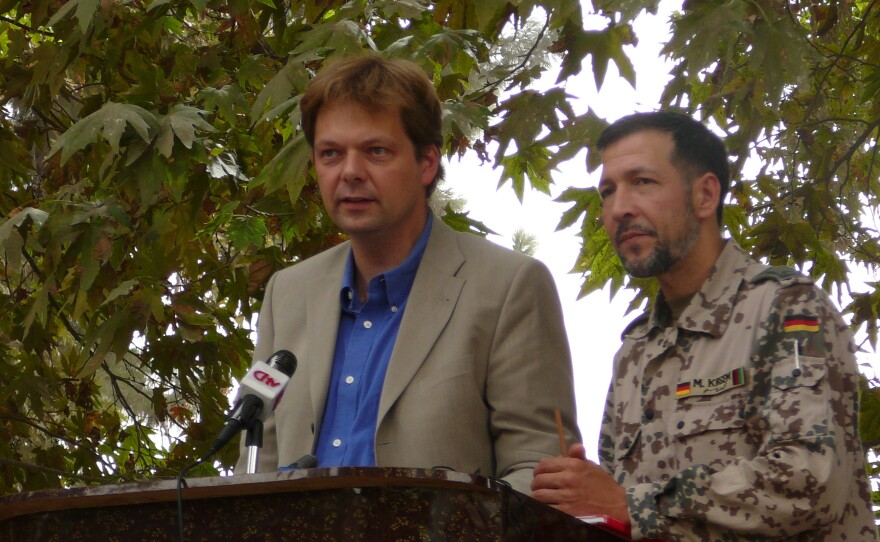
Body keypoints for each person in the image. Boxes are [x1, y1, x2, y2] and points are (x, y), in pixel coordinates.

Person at [234, 52, 580, 494]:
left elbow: (540, 472)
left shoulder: (508, 286)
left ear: (427, 163)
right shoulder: (288, 292)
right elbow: (257, 460)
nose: (351, 172)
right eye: (331, 154)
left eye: (376, 151)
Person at [531, 111, 877, 540]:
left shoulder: (785, 307)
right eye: (608, 191)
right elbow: (628, 516)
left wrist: (630, 503)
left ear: (705, 196)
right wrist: (581, 500)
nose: (619, 208)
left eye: (642, 182)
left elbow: (813, 481)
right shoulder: (635, 352)